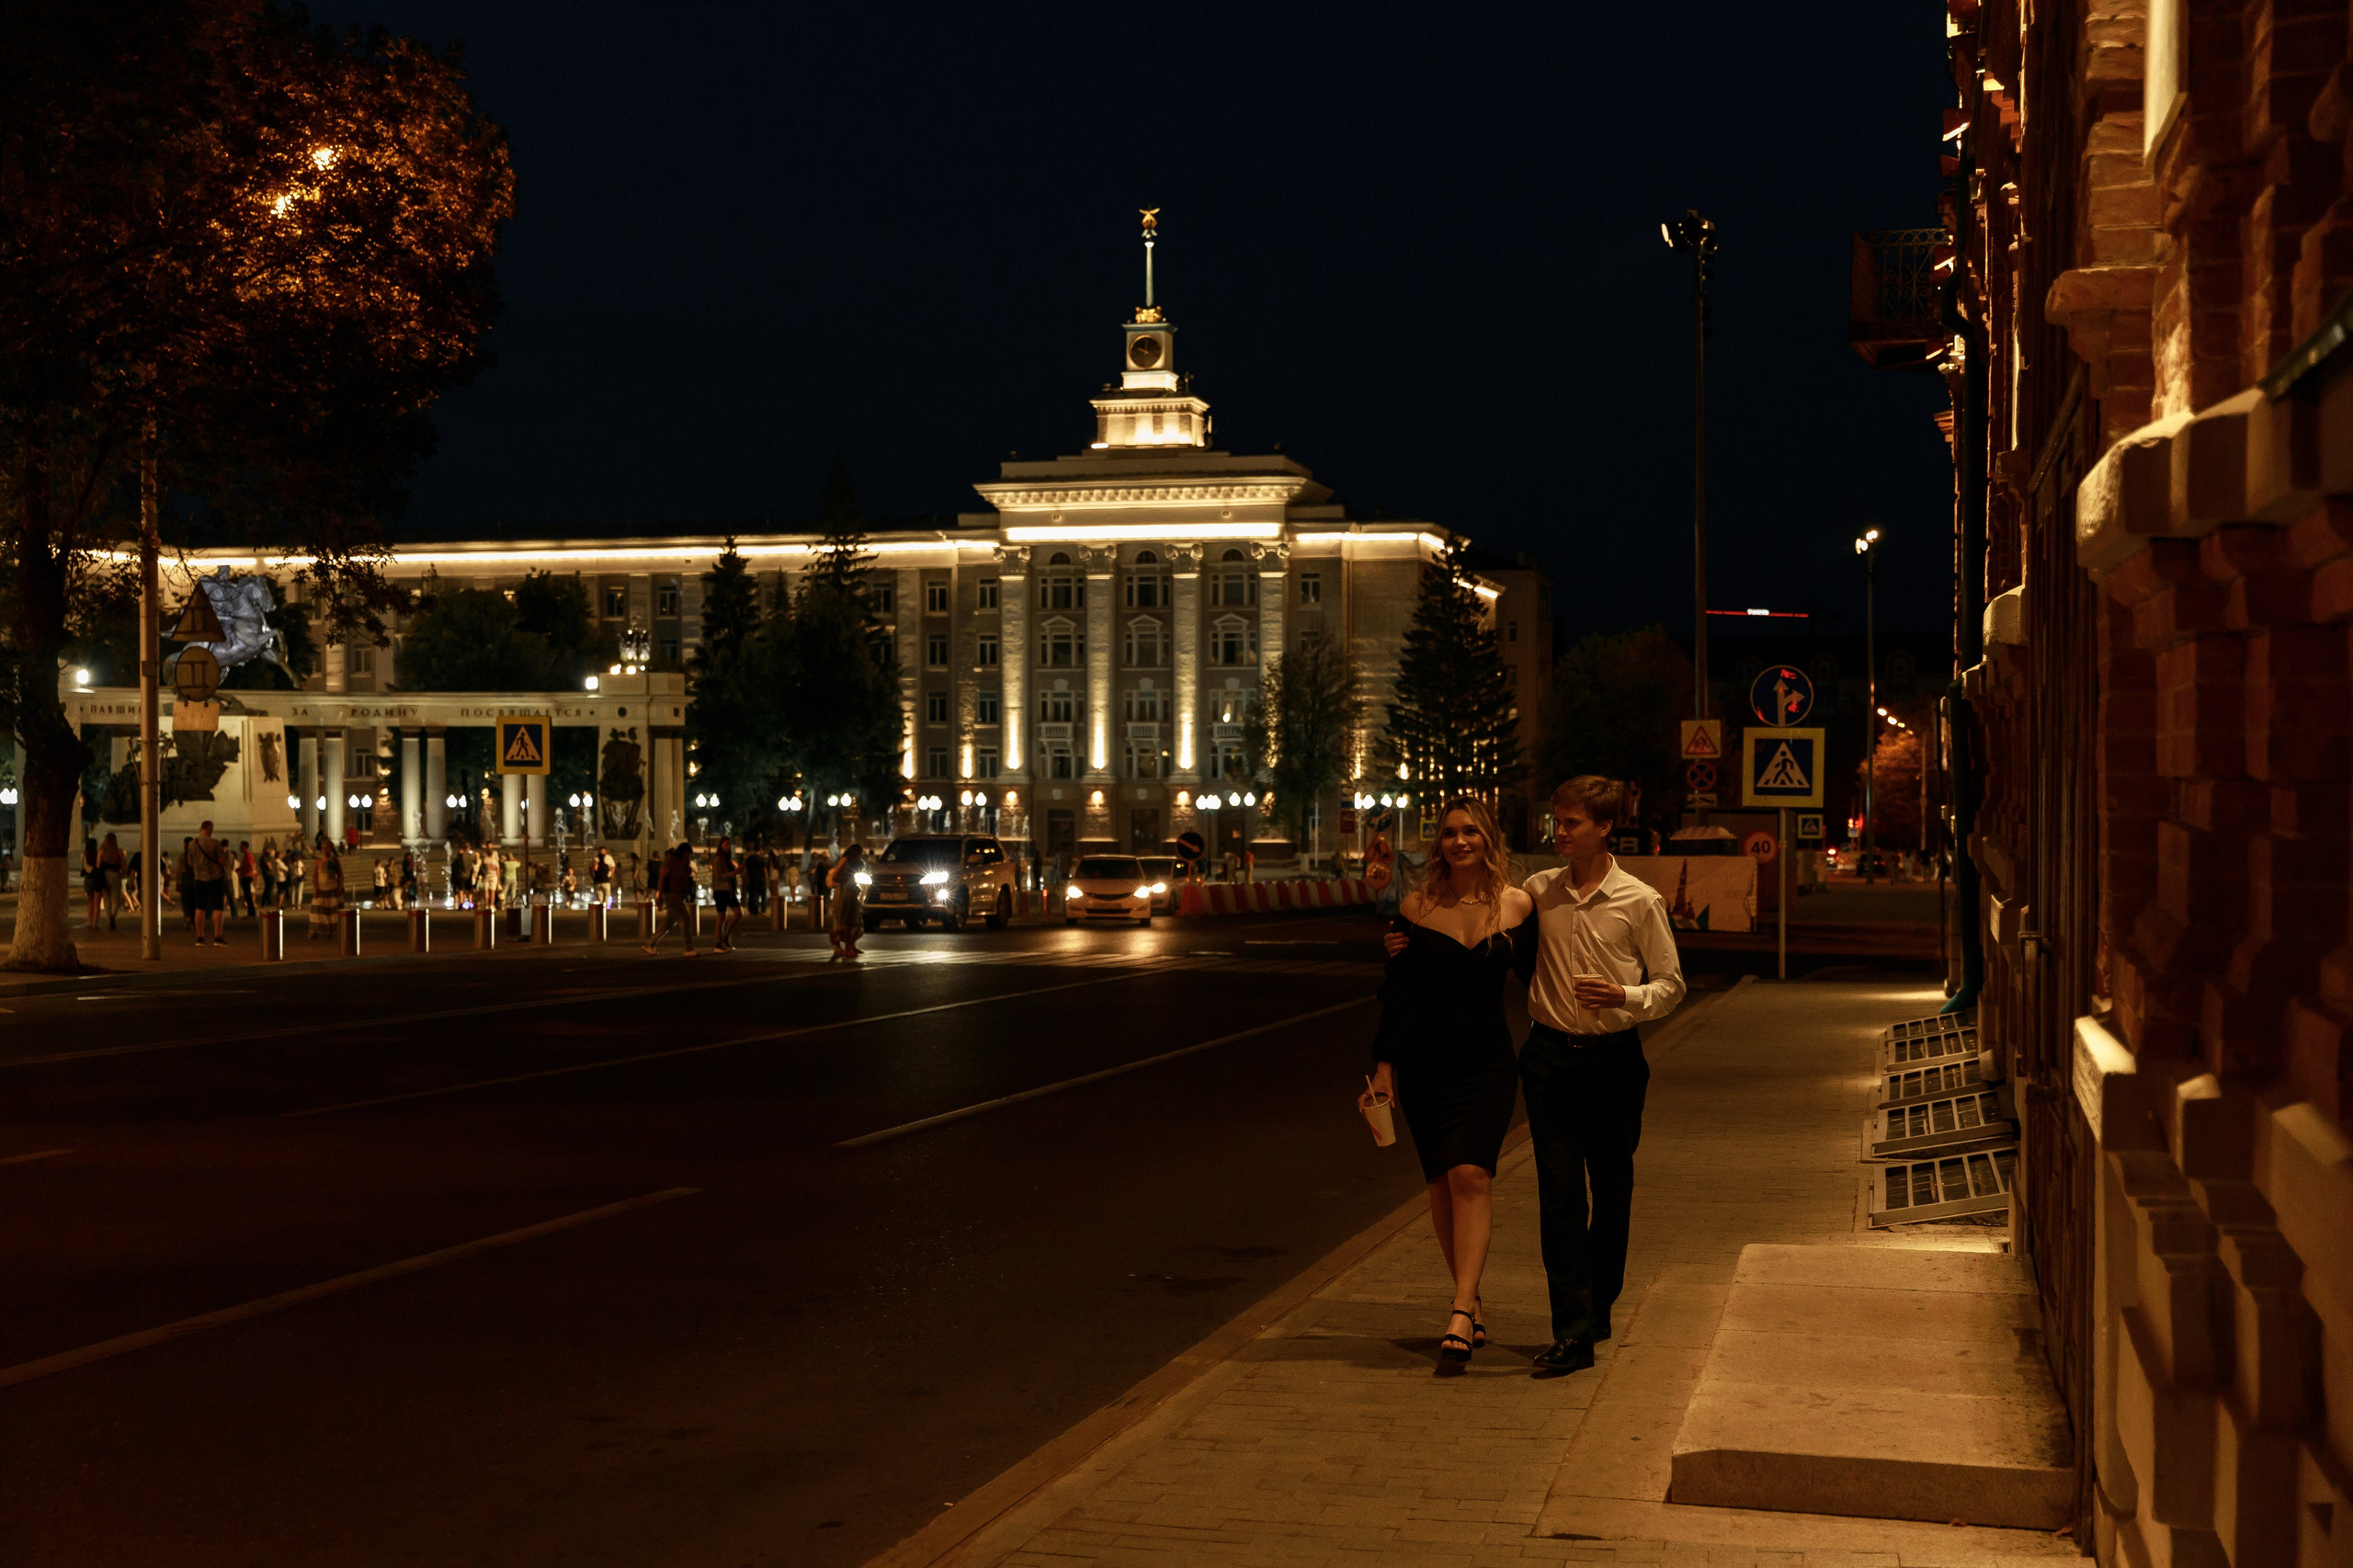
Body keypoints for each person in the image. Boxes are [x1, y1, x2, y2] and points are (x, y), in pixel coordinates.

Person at [1514, 778, 1685, 1376]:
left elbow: (1671, 984)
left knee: (1610, 1192)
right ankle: (1573, 1329)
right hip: (1548, 1061)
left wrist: (1624, 995)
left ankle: (1600, 1303)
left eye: (1572, 824)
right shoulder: (1538, 891)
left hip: (1613, 1061)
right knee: (1559, 1195)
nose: (1559, 833)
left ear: (1605, 826)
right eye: (1556, 823)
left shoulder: (1639, 901)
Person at [1362, 799, 1535, 1371]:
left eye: (1471, 832)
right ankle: (1470, 1296)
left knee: (1471, 1173)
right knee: (1441, 1184)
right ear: (1440, 844)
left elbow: (1544, 976)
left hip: (1487, 1060)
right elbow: (1399, 996)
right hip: (1426, 1062)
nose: (1460, 841)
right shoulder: (1415, 908)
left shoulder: (1517, 906)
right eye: (1450, 833)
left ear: (1489, 839)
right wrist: (1384, 1069)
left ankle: (1461, 1308)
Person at [643, 842, 699, 956]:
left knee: (669, 923)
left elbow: (688, 873)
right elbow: (662, 879)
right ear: (682, 852)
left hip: (679, 895)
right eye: (687, 854)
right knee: (685, 919)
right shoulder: (670, 862)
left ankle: (650, 943)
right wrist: (659, 898)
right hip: (671, 895)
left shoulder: (683, 863)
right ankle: (688, 948)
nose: (688, 857)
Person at [188, 820, 231, 945]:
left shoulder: (192, 844)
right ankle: (217, 937)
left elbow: (190, 863)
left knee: (199, 907)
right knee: (217, 907)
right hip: (215, 879)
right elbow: (222, 862)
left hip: (199, 878)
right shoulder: (215, 843)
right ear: (209, 829)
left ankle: (200, 937)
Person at [826, 843, 866, 960]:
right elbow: (836, 877)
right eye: (860, 853)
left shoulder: (853, 862)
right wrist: (848, 879)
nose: (861, 855)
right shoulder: (846, 861)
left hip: (851, 893)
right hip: (846, 894)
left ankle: (846, 942)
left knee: (853, 922)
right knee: (848, 923)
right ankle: (846, 946)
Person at [309, 833, 345, 939]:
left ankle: (330, 931)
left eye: (327, 847)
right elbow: (314, 876)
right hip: (321, 889)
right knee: (318, 912)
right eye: (323, 847)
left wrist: (340, 887)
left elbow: (340, 875)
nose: (325, 849)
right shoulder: (318, 861)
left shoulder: (334, 861)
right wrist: (315, 888)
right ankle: (315, 931)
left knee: (331, 912)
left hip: (332, 888)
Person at [710, 835, 742, 952]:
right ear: (721, 846)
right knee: (721, 916)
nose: (728, 847)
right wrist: (734, 873)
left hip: (729, 890)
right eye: (725, 845)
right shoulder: (718, 859)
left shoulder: (727, 859)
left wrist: (736, 872)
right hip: (720, 890)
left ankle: (725, 936)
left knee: (738, 913)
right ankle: (719, 943)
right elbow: (719, 877)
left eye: (729, 845)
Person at [97, 832, 126, 930]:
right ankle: (113, 915)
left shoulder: (101, 852)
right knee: (115, 898)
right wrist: (122, 858)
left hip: (104, 875)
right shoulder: (118, 852)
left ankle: (109, 920)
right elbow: (123, 866)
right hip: (115, 875)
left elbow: (98, 866)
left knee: (106, 898)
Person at [82, 837, 106, 930]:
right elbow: (98, 866)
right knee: (97, 903)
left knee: (90, 902)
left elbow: (85, 867)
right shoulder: (98, 854)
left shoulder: (84, 855)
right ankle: (94, 924)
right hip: (97, 879)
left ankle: (89, 922)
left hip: (87, 880)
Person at [235, 841, 257, 918]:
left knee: (248, 895)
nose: (239, 848)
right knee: (247, 895)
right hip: (245, 876)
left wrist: (249, 873)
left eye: (240, 846)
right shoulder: (246, 855)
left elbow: (251, 865)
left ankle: (251, 913)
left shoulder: (248, 855)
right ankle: (250, 913)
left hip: (247, 877)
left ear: (244, 847)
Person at [258, 839, 281, 909]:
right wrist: (271, 866)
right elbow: (269, 866)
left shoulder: (266, 857)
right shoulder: (265, 857)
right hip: (269, 874)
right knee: (269, 889)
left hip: (267, 874)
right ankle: (269, 901)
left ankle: (263, 902)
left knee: (267, 889)